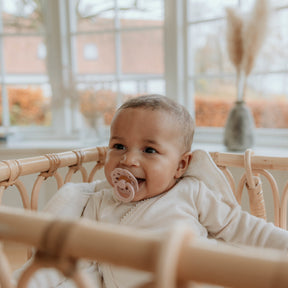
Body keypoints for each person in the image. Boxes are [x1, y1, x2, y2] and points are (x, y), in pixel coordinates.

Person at [15, 94, 288, 288]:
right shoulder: (99, 202)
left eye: (149, 150)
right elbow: (77, 261)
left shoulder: (192, 193)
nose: (128, 160)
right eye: (118, 146)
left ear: (180, 165)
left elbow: (248, 230)